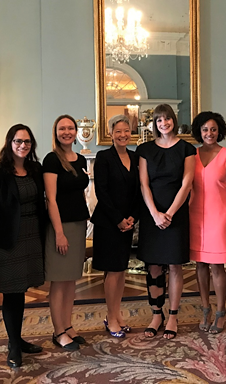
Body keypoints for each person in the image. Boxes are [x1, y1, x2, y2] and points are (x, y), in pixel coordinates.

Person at [0, 124, 47, 368]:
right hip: (7, 242)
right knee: (12, 293)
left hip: (32, 237)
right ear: (9, 143)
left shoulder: (36, 170)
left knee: (23, 290)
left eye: (27, 142)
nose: (23, 146)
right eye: (18, 141)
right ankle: (14, 346)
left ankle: (17, 339)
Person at [136, 104, 196, 340]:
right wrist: (155, 214)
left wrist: (169, 213)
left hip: (176, 213)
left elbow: (187, 183)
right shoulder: (144, 150)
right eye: (159, 120)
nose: (164, 123)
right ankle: (156, 314)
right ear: (155, 124)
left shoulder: (187, 149)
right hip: (151, 214)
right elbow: (144, 184)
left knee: (174, 265)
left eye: (167, 119)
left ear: (174, 120)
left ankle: (172, 316)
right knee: (152, 265)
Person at [189, 111, 226, 334]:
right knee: (200, 264)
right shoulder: (192, 155)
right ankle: (205, 309)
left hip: (220, 214)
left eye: (213, 129)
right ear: (199, 132)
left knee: (217, 265)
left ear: (220, 131)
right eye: (205, 129)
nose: (209, 133)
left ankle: (220, 311)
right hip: (195, 214)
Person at [43, 115, 90, 351]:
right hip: (60, 226)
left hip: (78, 224)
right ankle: (58, 331)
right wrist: (59, 232)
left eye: (70, 128)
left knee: (71, 280)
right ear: (56, 131)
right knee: (59, 281)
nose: (67, 132)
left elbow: (79, 191)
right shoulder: (51, 160)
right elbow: (51, 199)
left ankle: (68, 325)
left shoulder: (80, 158)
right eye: (62, 128)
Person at [91, 115, 140, 338]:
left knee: (121, 271)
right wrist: (119, 219)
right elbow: (102, 192)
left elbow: (139, 191)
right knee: (112, 270)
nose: (123, 135)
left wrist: (132, 218)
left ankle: (117, 314)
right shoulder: (103, 157)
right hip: (109, 223)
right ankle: (111, 317)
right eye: (118, 131)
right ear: (111, 133)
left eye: (127, 130)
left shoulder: (135, 157)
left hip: (127, 223)